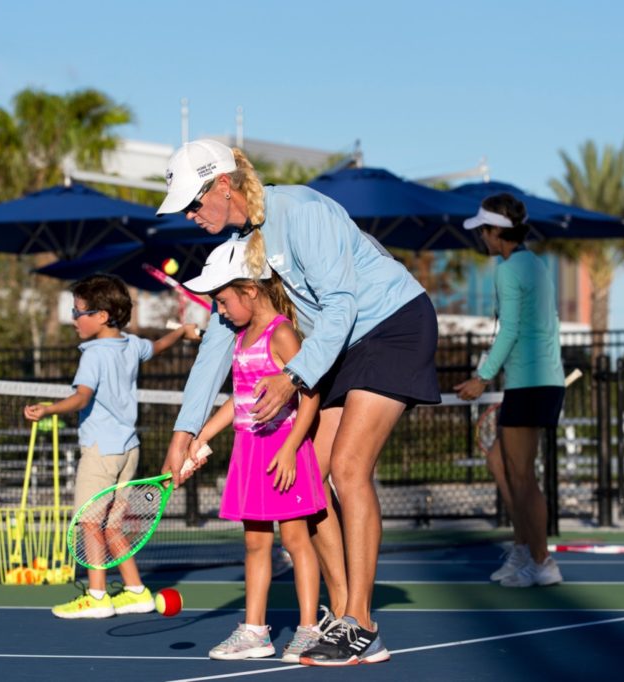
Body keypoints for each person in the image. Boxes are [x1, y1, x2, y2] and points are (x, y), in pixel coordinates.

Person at [157, 139, 440, 666]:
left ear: (224, 185)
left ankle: (362, 622)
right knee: (309, 477)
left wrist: (294, 376)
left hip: (393, 325)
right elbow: (216, 346)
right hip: (339, 344)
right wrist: (184, 433)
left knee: (350, 470)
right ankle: (339, 613)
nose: (191, 216)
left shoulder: (302, 212)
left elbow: (341, 303)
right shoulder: (236, 249)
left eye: (194, 204)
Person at [181, 240, 327, 662]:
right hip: (249, 453)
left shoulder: (282, 332)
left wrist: (291, 449)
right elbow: (238, 400)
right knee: (255, 544)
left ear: (250, 290)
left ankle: (307, 630)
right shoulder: (242, 337)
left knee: (297, 540)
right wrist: (200, 436)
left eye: (224, 301)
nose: (220, 311)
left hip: (284, 452)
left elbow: (311, 394)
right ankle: (254, 632)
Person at [23, 273, 199, 619]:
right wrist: (182, 331)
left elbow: (81, 396)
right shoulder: (131, 345)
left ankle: (97, 595)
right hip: (128, 451)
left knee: (89, 523)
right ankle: (136, 592)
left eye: (79, 312)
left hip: (101, 452)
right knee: (112, 526)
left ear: (101, 316)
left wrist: (48, 410)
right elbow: (158, 347)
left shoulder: (93, 355)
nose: (73, 318)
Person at [453, 193, 565, 588]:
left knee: (522, 477)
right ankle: (523, 551)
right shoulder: (534, 265)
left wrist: (482, 377)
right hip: (537, 382)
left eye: (484, 230)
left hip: (531, 384)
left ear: (497, 231)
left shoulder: (508, 269)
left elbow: (512, 330)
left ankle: (541, 561)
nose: (482, 237)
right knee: (501, 463)